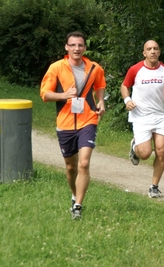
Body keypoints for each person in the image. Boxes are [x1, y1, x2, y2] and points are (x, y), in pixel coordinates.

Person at [40, 31, 106, 220]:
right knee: (71, 167)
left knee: (84, 162)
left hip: (88, 120)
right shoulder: (56, 68)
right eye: (73, 45)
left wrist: (101, 102)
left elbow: (100, 85)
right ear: (66, 47)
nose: (77, 48)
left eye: (80, 45)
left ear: (85, 48)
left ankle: (78, 206)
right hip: (65, 122)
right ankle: (73, 193)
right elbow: (44, 94)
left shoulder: (94, 68)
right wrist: (64, 95)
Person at [120, 40, 164, 198]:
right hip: (141, 116)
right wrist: (127, 100)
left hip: (160, 117)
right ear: (144, 53)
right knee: (145, 153)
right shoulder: (136, 69)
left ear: (159, 52)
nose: (153, 51)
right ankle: (135, 148)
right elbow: (124, 85)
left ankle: (154, 186)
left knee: (161, 151)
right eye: (149, 49)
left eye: (155, 49)